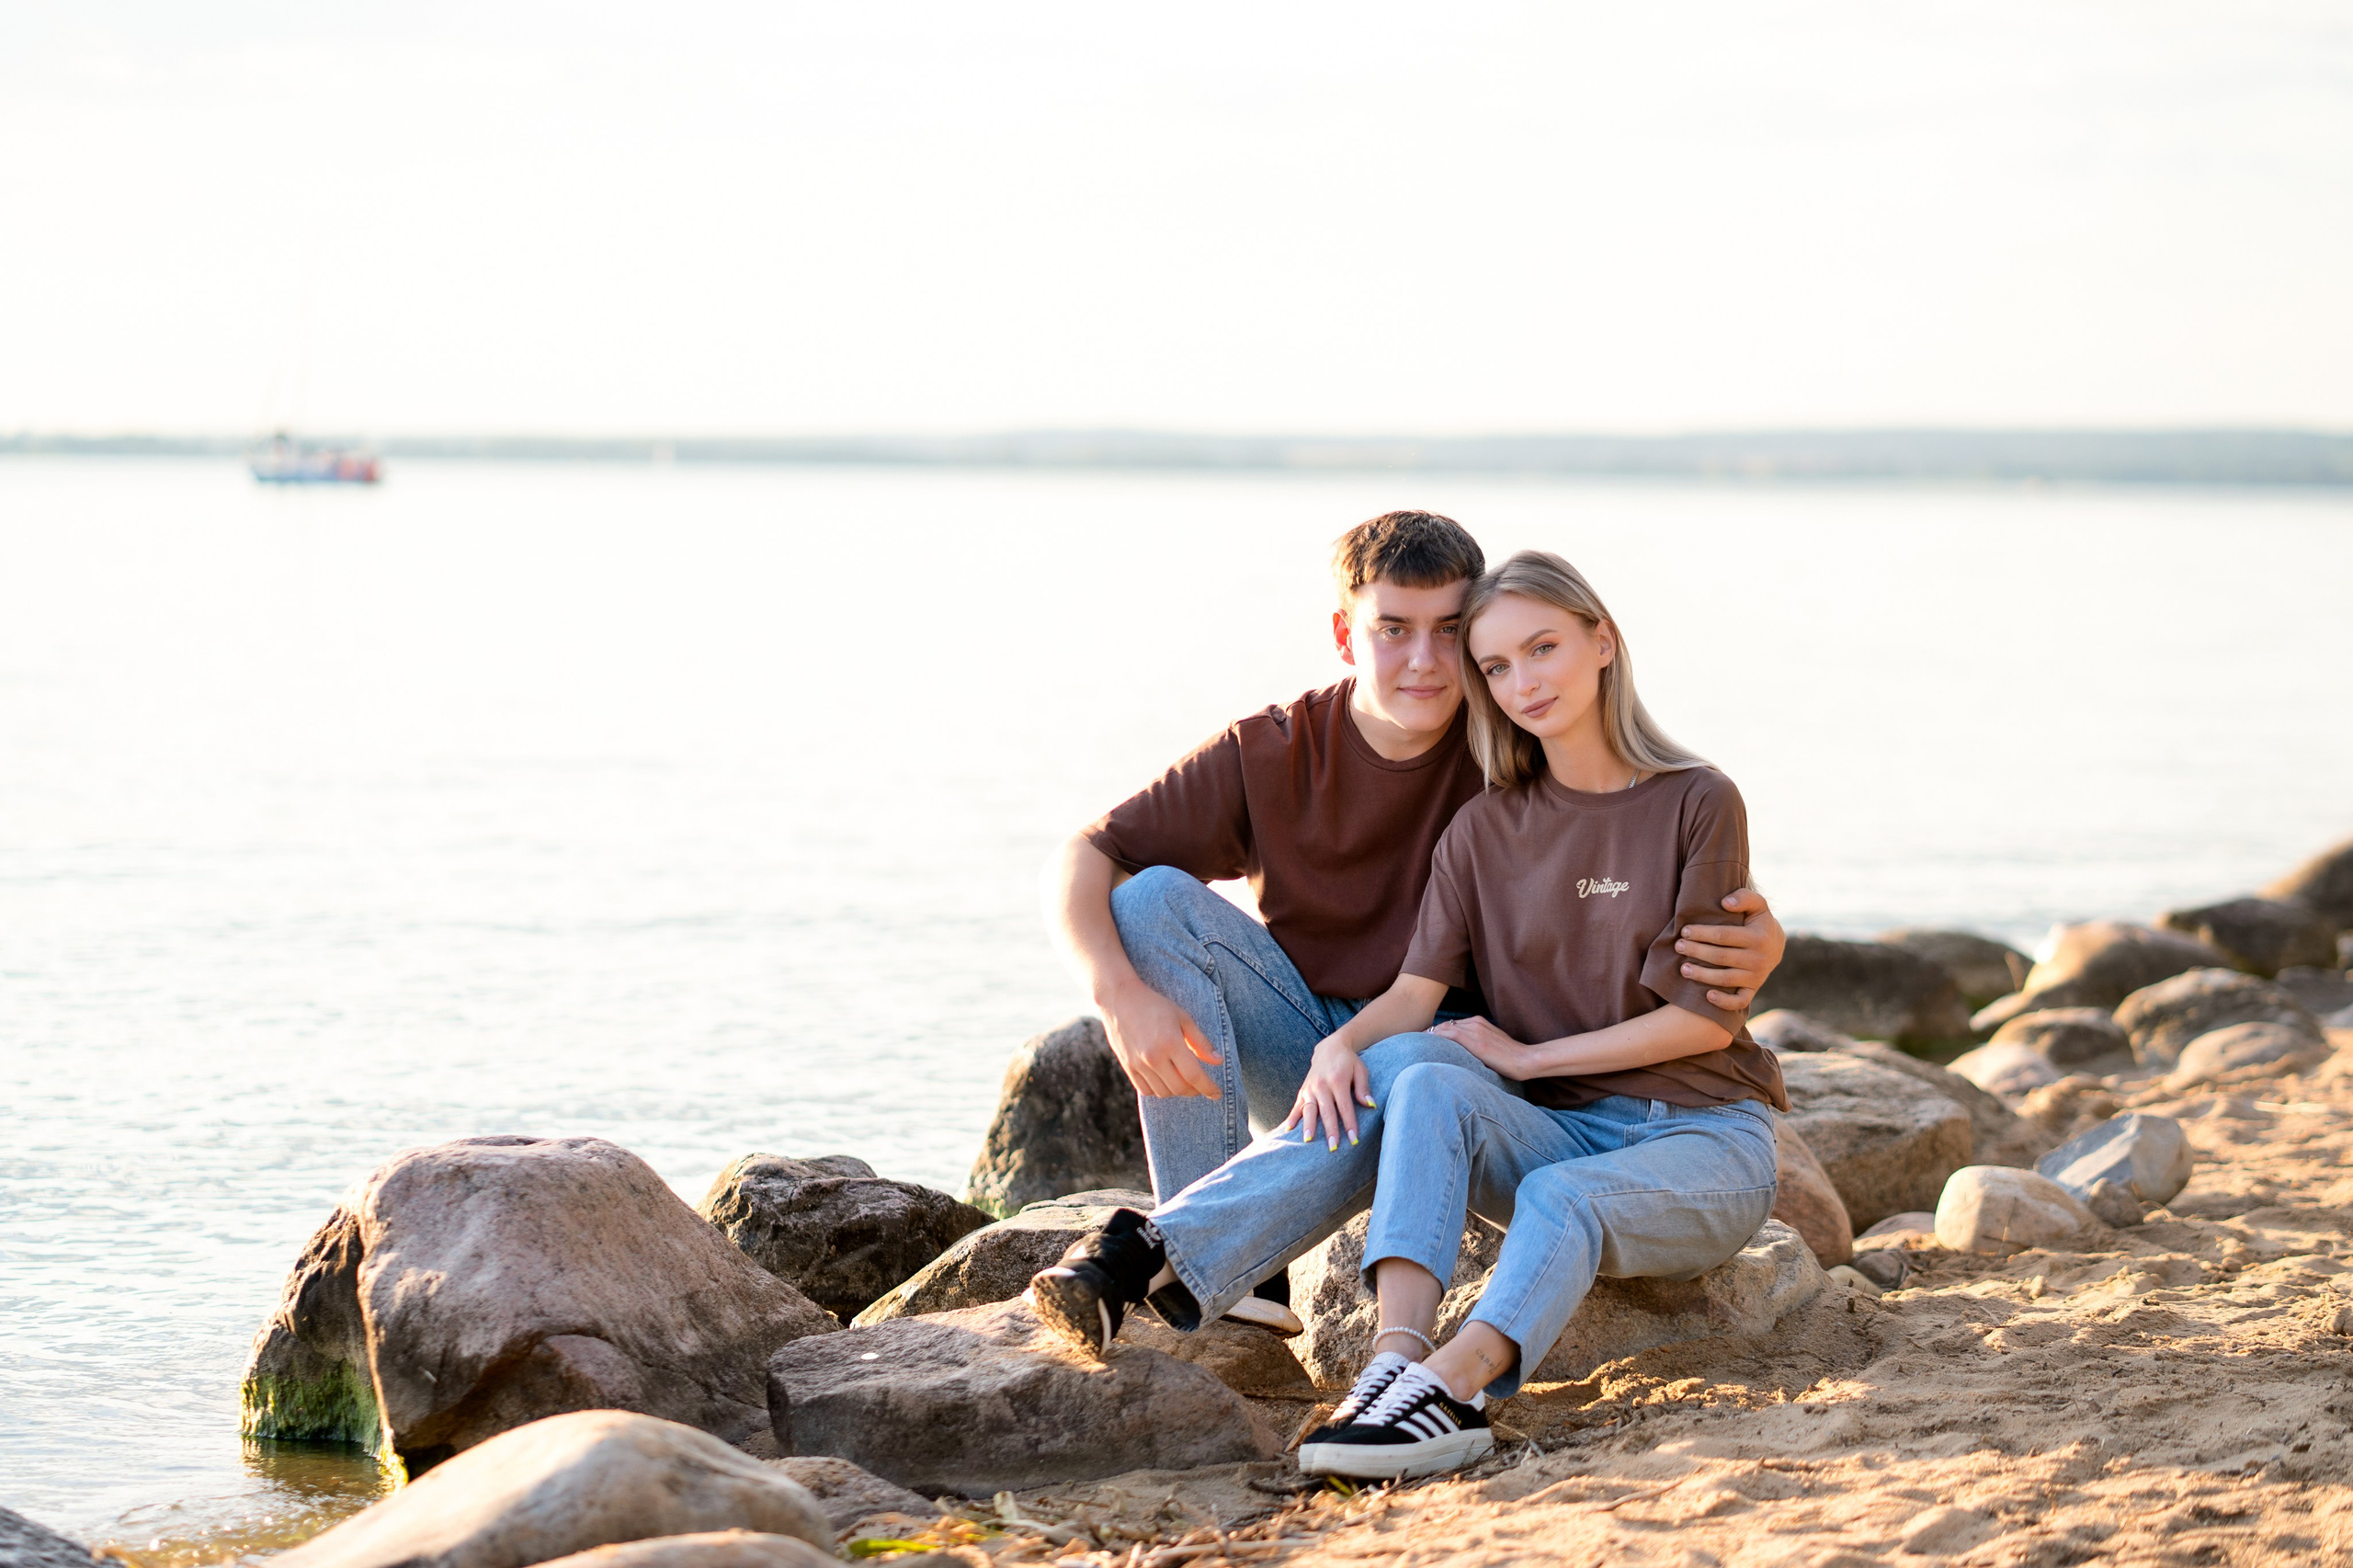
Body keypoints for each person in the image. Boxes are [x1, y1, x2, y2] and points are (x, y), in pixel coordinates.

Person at [1034, 550, 1785, 1479]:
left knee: (1503, 1145)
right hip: (1508, 1108)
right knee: (1395, 1057)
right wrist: (1310, 1041)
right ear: (1350, 634)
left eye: (1537, 649)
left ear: (1603, 641)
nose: (1515, 680)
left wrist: (1756, 944)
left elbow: (1702, 1012)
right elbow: (1409, 999)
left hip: (1665, 1121)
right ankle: (1359, 1349)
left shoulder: (1675, 793)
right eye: (1496, 664)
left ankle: (1446, 1388)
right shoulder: (1468, 819)